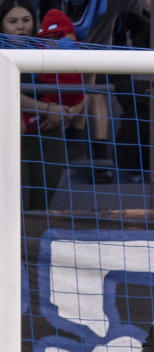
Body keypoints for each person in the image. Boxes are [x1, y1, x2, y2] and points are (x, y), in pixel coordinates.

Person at [1, 0, 82, 209]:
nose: (21, 26)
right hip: (11, 140)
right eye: (13, 21)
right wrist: (49, 110)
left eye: (26, 20)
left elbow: (84, 81)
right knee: (16, 211)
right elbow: (7, 91)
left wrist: (71, 112)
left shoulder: (47, 45)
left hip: (49, 139)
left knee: (39, 211)